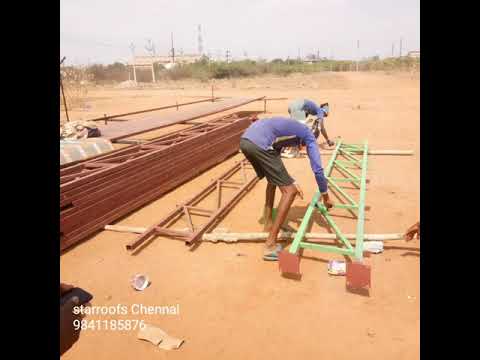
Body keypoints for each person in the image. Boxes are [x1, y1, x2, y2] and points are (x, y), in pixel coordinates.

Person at [240, 117, 334, 261]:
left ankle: (268, 222)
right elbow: (318, 170)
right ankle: (270, 245)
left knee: (273, 179)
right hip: (259, 144)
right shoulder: (308, 136)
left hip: (246, 141)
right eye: (305, 146)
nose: (303, 148)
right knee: (290, 191)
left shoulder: (293, 128)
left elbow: (276, 154)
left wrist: (291, 180)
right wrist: (325, 195)